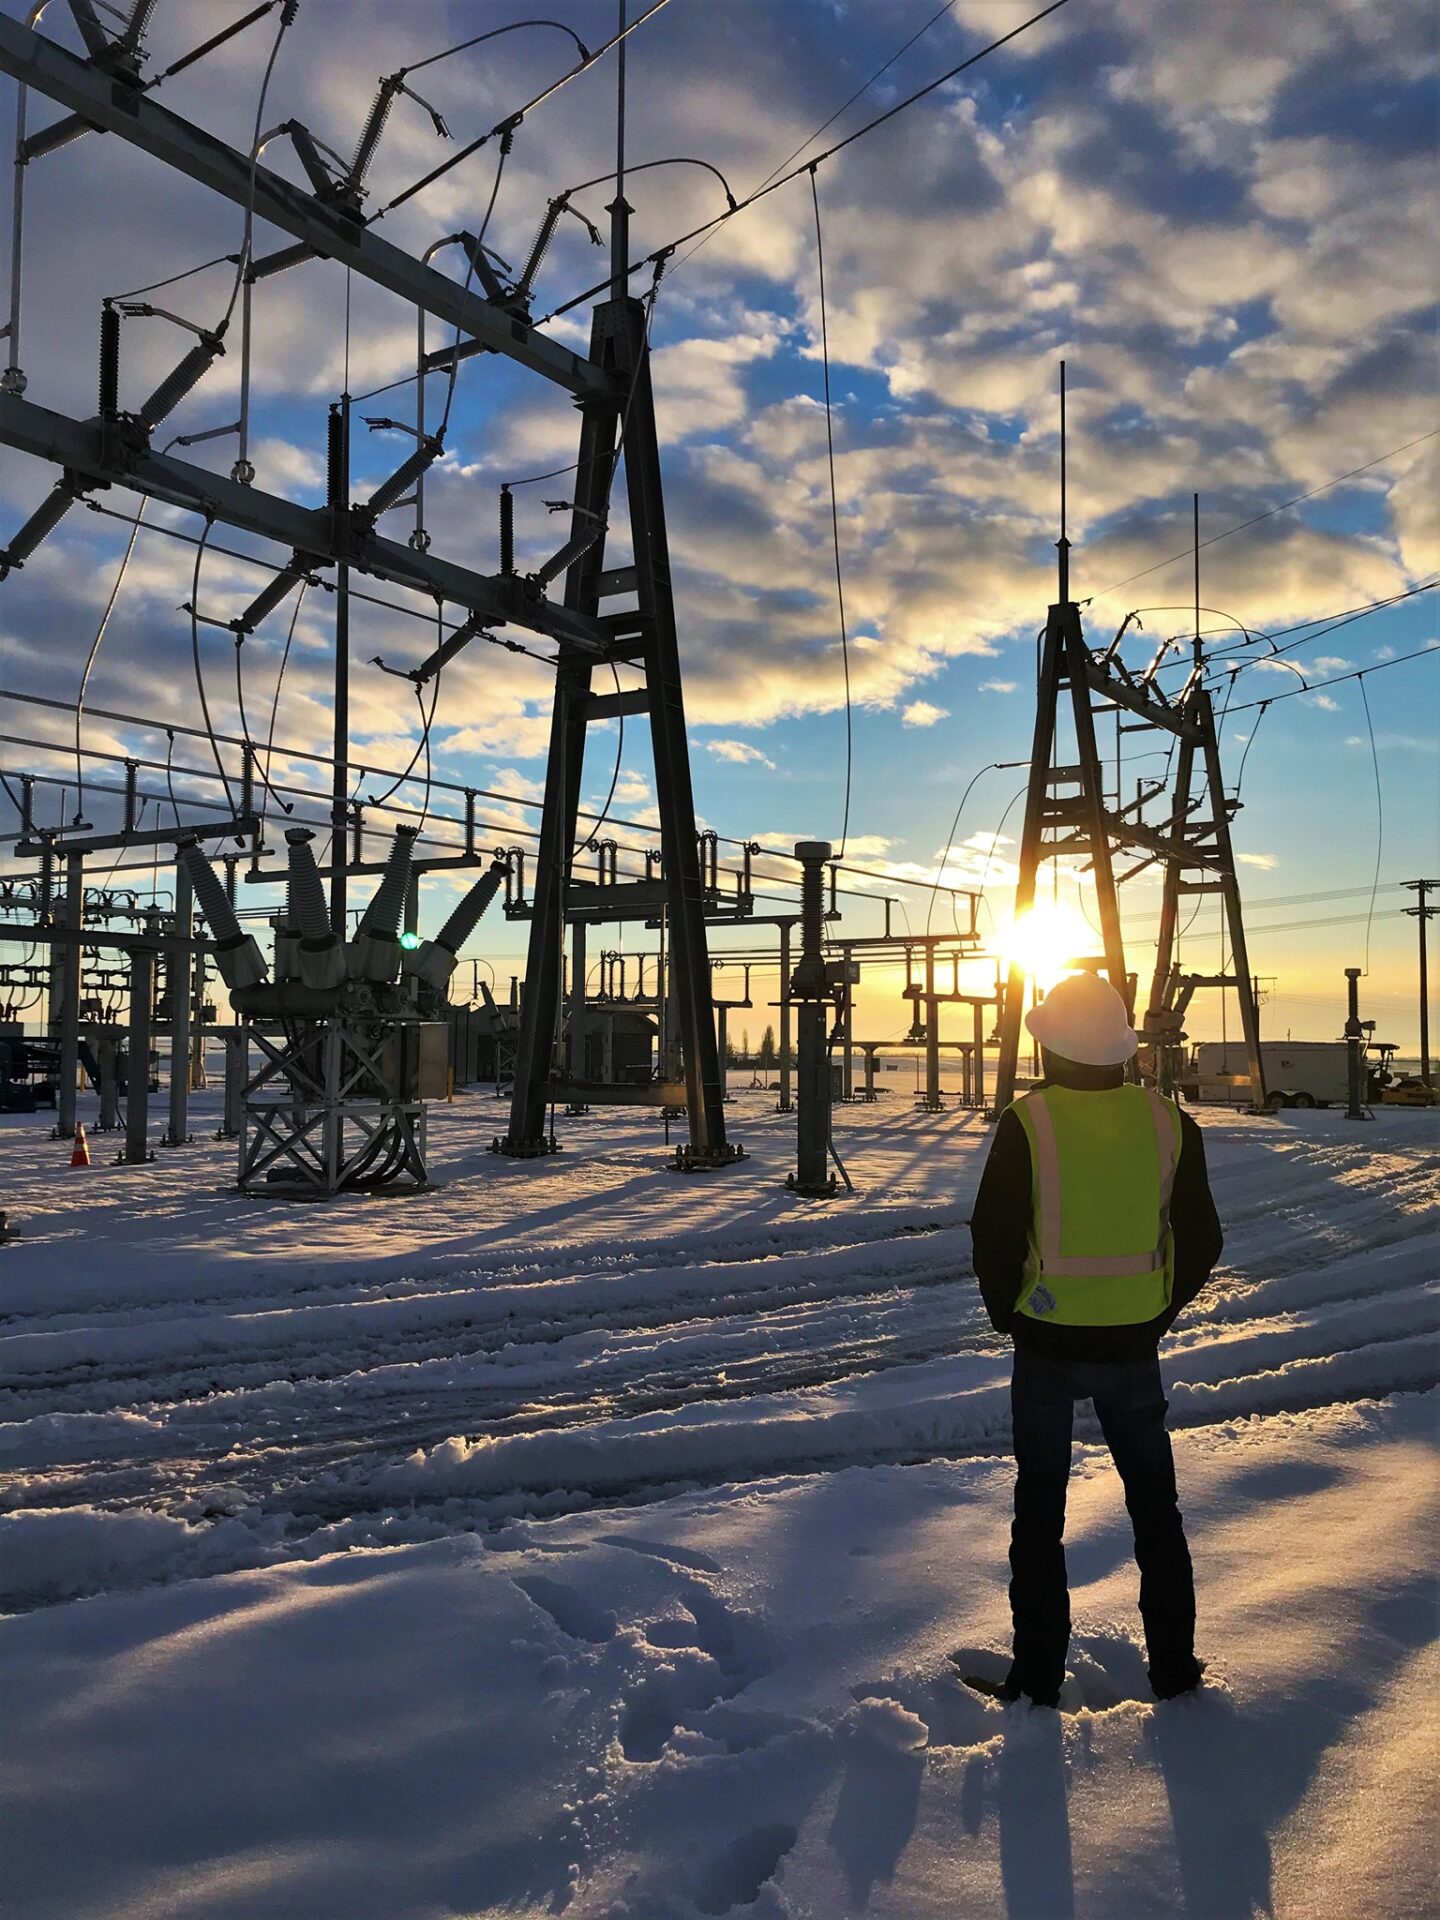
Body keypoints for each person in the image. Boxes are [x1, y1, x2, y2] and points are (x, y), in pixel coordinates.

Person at [967, 969, 1223, 1708]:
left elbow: (993, 1235)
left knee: (1039, 1512)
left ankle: (1036, 1681)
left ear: (1050, 1049)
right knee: (1155, 1510)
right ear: (1122, 1050)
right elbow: (1203, 1238)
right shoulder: (1169, 1122)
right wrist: (1155, 1310)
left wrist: (1008, 1314)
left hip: (1045, 1342)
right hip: (1133, 1348)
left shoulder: (1027, 1121)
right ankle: (1174, 1672)